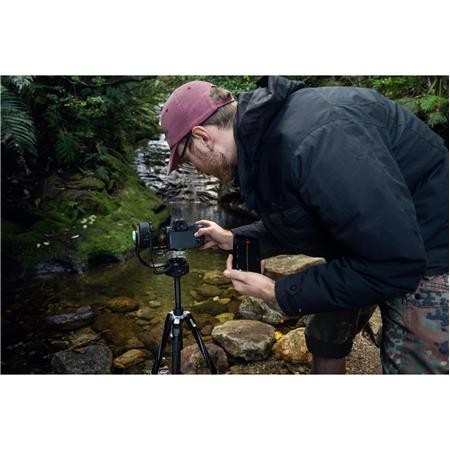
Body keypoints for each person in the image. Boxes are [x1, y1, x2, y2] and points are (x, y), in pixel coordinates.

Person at [160, 76, 449, 374]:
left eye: (186, 158)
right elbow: (307, 217)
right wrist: (233, 238)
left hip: (430, 245)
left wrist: (277, 291)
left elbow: (395, 263)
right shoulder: (264, 144)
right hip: (374, 241)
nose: (196, 170)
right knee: (325, 334)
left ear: (203, 137)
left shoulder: (317, 142)